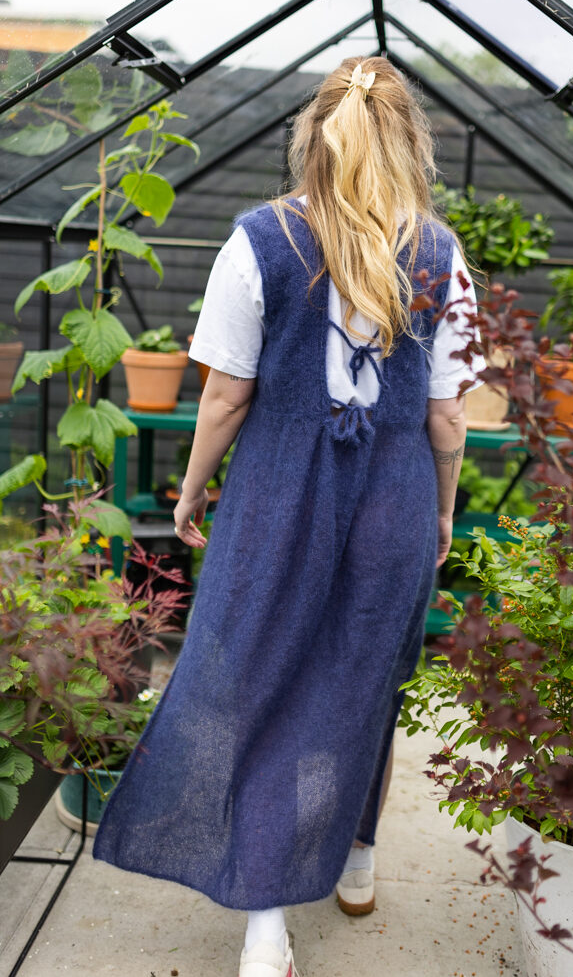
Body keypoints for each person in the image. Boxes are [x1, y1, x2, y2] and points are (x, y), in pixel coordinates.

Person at [92, 56, 486, 977]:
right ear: (410, 144)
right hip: (392, 501)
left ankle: (265, 925)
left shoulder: (259, 240)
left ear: (311, 136)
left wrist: (191, 491)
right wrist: (439, 511)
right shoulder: (441, 255)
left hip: (275, 499)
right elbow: (448, 417)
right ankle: (357, 863)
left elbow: (226, 395)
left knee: (252, 682)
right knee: (364, 683)